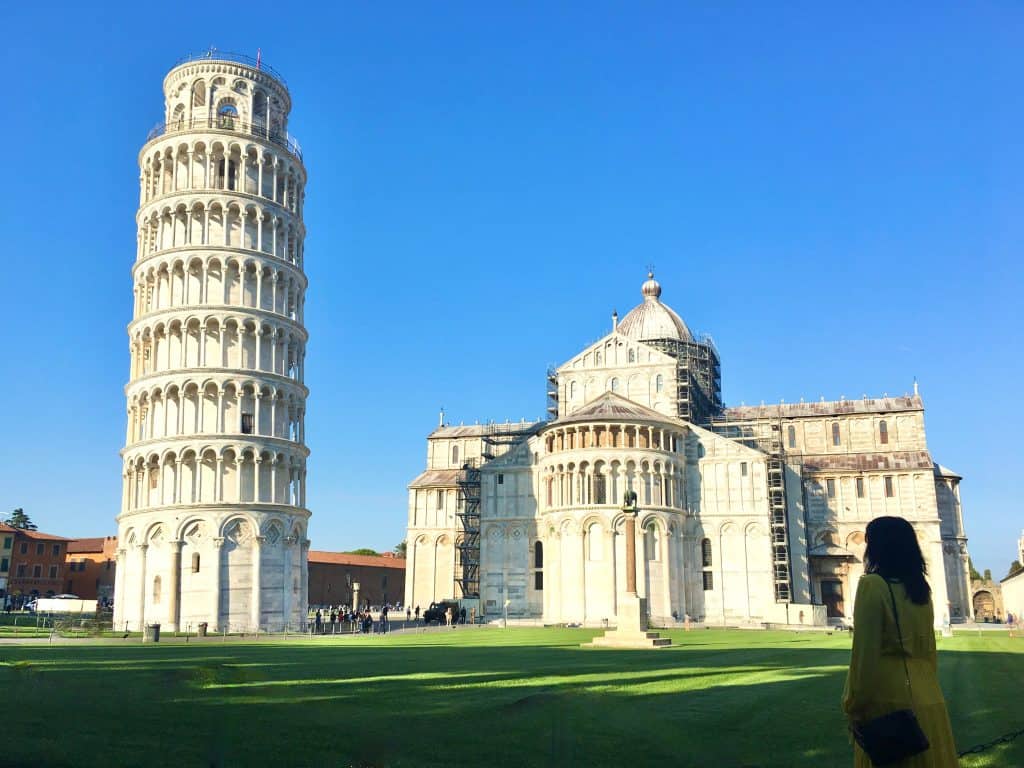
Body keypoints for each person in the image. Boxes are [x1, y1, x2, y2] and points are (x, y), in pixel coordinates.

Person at [842, 516, 958, 767]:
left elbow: (865, 655)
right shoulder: (921, 588)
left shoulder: (872, 585)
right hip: (930, 697)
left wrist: (854, 705)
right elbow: (929, 651)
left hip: (888, 701)